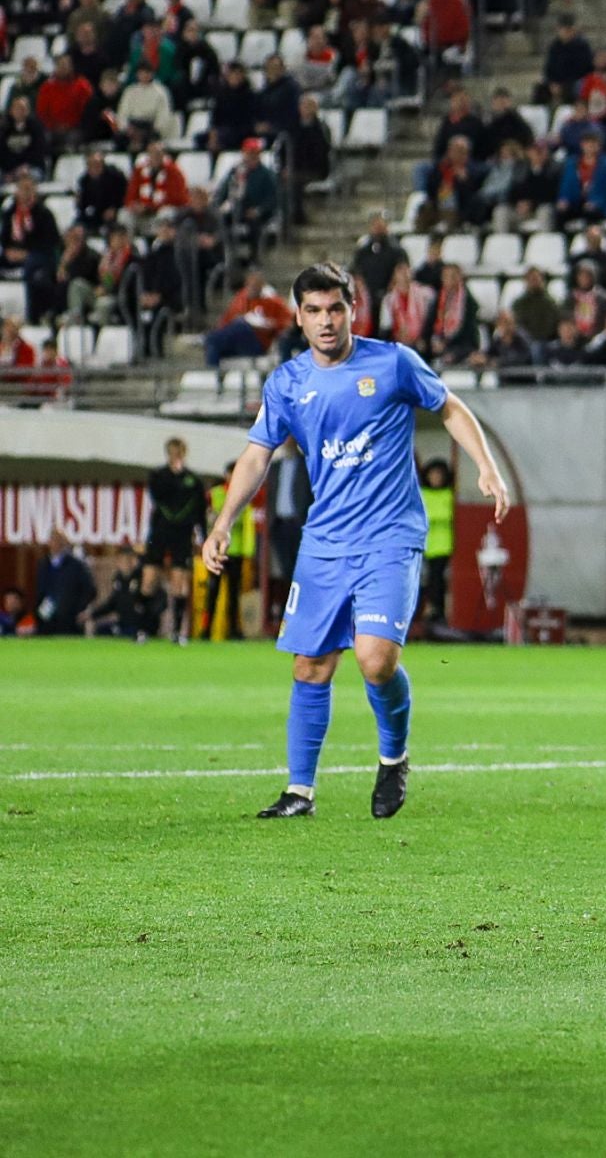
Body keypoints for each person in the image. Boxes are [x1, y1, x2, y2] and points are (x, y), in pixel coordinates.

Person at [202, 263, 511, 820]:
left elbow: (450, 407)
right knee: (310, 665)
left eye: (336, 309)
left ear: (353, 310)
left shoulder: (392, 362)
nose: (326, 321)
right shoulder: (289, 382)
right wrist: (223, 521)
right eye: (314, 311)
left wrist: (485, 466)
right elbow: (256, 455)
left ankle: (394, 756)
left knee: (374, 661)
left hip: (390, 536)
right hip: (325, 541)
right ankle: (300, 793)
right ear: (297, 317)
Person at [142, 438, 207, 645]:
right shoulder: (158, 476)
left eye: (178, 452)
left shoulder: (194, 480)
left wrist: (203, 535)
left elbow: (200, 511)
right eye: (172, 452)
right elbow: (158, 494)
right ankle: (143, 629)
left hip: (182, 534)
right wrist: (175, 476)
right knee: (149, 578)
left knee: (180, 581)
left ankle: (178, 632)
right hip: (160, 532)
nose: (175, 456)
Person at [202, 461, 256, 640]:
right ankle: (206, 630)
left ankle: (233, 630)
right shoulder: (215, 494)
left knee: (234, 594)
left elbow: (248, 524)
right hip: (217, 551)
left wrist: (248, 551)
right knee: (212, 593)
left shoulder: (245, 495)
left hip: (236, 551)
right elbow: (207, 519)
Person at [32, 531, 96, 635]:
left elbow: (90, 590)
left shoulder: (76, 566)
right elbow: (40, 592)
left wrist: (78, 609)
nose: (55, 543)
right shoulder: (43, 565)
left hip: (69, 620)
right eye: (53, 540)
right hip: (46, 618)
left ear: (64, 543)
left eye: (58, 540)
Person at [419, 459, 454, 625]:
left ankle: (437, 615)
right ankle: (419, 614)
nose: (435, 478)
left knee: (438, 583)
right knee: (419, 583)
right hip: (422, 546)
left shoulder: (450, 495)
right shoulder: (421, 493)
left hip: (442, 547)